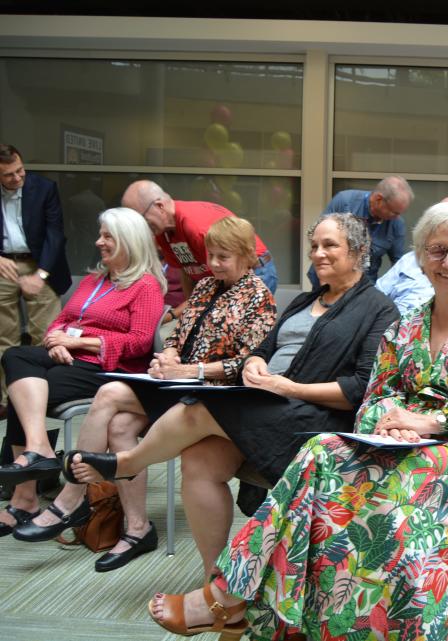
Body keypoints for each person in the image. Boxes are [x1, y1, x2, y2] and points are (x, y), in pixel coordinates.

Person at [80, 201, 448, 641]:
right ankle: (270, 604)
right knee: (322, 451)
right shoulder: (408, 325)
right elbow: (375, 395)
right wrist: (389, 422)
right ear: (420, 256)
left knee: (377, 486)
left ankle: (231, 597)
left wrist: (425, 422)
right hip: (404, 440)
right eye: (436, 250)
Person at [63, 213, 398, 574]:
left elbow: (362, 386)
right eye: (314, 246)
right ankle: (216, 578)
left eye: (329, 245)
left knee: (201, 405)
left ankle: (128, 463)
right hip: (266, 400)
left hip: (312, 415)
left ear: (359, 250)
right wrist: (255, 362)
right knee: (198, 461)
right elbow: (264, 348)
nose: (318, 254)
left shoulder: (379, 309)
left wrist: (289, 386)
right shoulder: (304, 300)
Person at [12, 217, 276, 573]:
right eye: (210, 255)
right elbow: (177, 337)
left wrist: (191, 371)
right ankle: (137, 528)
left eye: (223, 257)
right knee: (118, 420)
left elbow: (249, 363)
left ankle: (71, 499)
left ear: (246, 256)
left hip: (214, 394)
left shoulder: (259, 297)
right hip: (176, 384)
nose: (213, 264)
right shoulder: (205, 288)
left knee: (112, 404)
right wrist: (167, 356)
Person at [0, 207, 165, 537]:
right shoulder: (94, 280)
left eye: (107, 236)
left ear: (129, 242)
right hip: (70, 358)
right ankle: (39, 450)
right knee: (18, 359)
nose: (98, 242)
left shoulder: (145, 286)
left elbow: (138, 342)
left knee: (30, 389)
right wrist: (55, 342)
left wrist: (79, 343)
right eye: (100, 234)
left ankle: (25, 497)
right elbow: (62, 321)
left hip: (111, 368)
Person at [120, 179, 277, 326]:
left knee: (228, 331)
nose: (140, 226)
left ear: (160, 206)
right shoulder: (163, 231)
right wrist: (190, 311)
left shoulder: (195, 227)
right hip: (218, 280)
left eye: (141, 219)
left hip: (251, 272)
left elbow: (222, 276)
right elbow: (186, 271)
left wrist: (175, 314)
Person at [0, 144, 71, 419]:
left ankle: (47, 394)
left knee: (48, 333)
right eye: (8, 175)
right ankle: (8, 399)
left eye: (20, 171)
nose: (17, 178)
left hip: (41, 262)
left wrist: (40, 275)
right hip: (4, 263)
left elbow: (55, 234)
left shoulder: (43, 188)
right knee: (5, 336)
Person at [308, 175, 414, 285]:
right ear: (378, 199)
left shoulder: (396, 224)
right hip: (328, 279)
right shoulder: (345, 202)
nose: (397, 217)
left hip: (365, 284)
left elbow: (399, 263)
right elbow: (320, 241)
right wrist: (325, 290)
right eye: (394, 212)